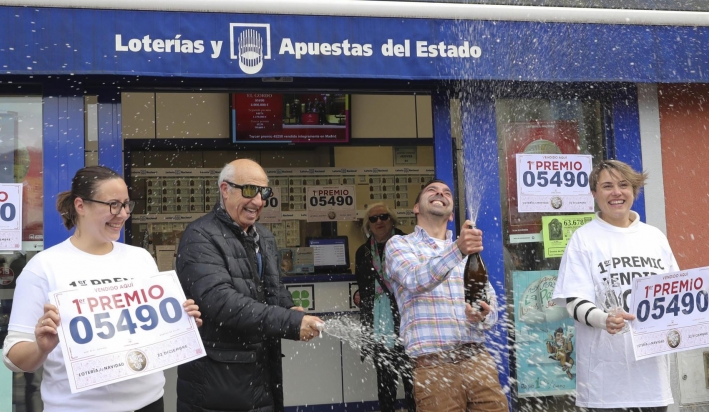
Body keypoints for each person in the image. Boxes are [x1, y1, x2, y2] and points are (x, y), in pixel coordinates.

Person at [2, 165, 202, 412]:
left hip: (149, 403)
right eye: (113, 204)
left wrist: (180, 322)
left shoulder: (140, 258)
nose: (123, 214)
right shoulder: (43, 267)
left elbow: (150, 330)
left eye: (127, 204)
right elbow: (14, 357)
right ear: (80, 206)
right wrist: (41, 348)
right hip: (78, 408)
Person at [551, 160, 709, 412]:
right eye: (607, 186)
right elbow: (574, 302)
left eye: (624, 185)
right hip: (605, 385)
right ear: (594, 194)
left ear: (634, 190)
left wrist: (704, 297)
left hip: (652, 382)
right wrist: (604, 319)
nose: (617, 192)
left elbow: (675, 298)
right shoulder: (583, 239)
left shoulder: (654, 237)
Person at [175, 159, 323, 412]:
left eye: (263, 192)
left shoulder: (263, 236)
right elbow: (221, 302)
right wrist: (288, 322)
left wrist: (291, 308)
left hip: (261, 371)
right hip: (218, 380)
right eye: (248, 190)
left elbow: (270, 287)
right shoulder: (199, 236)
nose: (257, 201)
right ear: (224, 189)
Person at [385, 179, 508, 412]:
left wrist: (482, 315)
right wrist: (458, 249)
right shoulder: (399, 245)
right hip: (434, 367)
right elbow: (415, 279)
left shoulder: (467, 252)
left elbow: (491, 309)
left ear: (451, 215)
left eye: (446, 192)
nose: (440, 193)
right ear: (416, 208)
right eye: (432, 190)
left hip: (478, 361)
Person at [355, 203, 415, 412]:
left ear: (392, 220)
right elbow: (362, 285)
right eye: (373, 219)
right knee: (385, 381)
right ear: (368, 225)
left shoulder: (407, 244)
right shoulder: (363, 252)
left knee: (412, 381)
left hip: (406, 321)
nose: (379, 221)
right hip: (379, 324)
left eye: (383, 217)